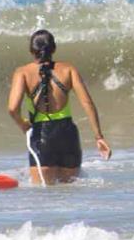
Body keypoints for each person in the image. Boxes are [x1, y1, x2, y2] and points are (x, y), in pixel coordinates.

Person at [8, 30, 111, 184]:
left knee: (43, 196)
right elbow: (87, 103)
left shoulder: (22, 73)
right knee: (69, 195)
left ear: (31, 51)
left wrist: (22, 124)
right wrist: (99, 137)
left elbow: (12, 108)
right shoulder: (69, 69)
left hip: (40, 136)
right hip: (68, 135)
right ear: (54, 49)